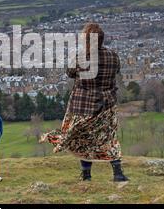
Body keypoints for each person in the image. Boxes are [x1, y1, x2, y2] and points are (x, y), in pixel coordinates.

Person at [41, 23, 129, 182]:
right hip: (106, 105)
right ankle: (118, 173)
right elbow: (116, 70)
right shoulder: (113, 56)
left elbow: (69, 73)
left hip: (83, 106)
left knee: (83, 139)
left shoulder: (81, 58)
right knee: (109, 138)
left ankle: (86, 175)